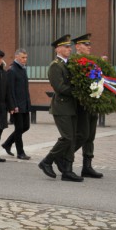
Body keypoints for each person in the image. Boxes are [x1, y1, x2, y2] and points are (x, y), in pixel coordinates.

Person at [39, 35, 83, 182]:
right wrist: (78, 90)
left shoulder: (69, 64)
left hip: (72, 106)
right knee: (67, 137)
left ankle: (68, 170)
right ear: (58, 49)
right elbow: (60, 87)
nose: (69, 49)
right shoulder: (55, 66)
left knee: (73, 138)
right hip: (62, 106)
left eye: (69, 47)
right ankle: (47, 160)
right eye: (66, 47)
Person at [71, 34, 103, 178]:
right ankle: (64, 157)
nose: (89, 46)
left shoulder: (93, 62)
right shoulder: (73, 62)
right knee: (82, 135)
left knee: (90, 136)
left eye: (90, 44)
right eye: (86, 44)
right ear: (77, 46)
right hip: (80, 105)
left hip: (92, 103)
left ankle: (87, 166)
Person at [2, 48, 32, 160]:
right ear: (16, 57)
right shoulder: (12, 70)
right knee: (19, 128)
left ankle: (7, 143)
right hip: (17, 105)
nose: (25, 59)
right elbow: (10, 90)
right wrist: (13, 106)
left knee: (26, 127)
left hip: (24, 104)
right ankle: (20, 152)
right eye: (23, 57)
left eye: (26, 57)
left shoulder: (22, 69)